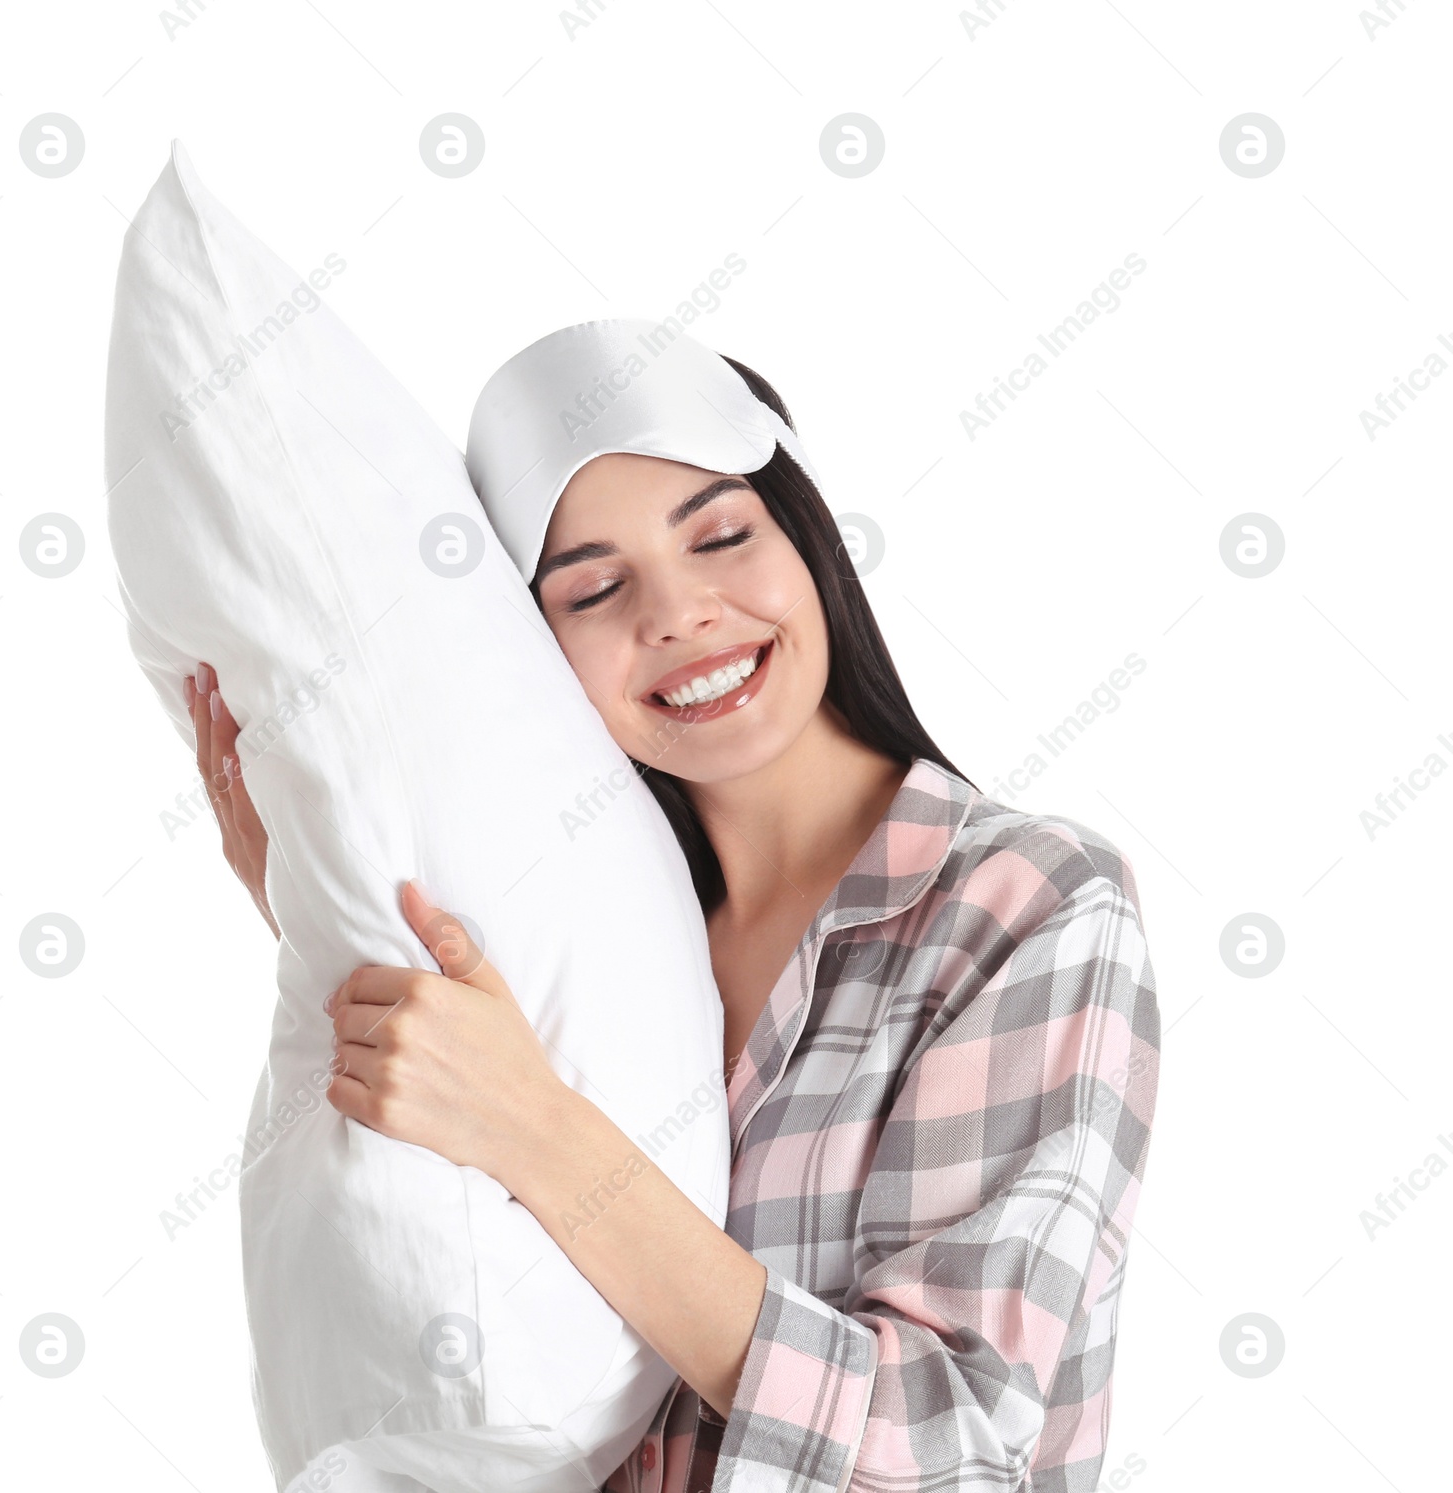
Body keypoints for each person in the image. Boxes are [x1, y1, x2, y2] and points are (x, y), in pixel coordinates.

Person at [185, 321, 1161, 1492]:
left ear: (807, 543)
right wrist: (332, 921)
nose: (679, 611)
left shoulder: (1023, 903)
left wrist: (541, 1132)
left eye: (722, 533)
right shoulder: (587, 937)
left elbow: (952, 1443)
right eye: (594, 588)